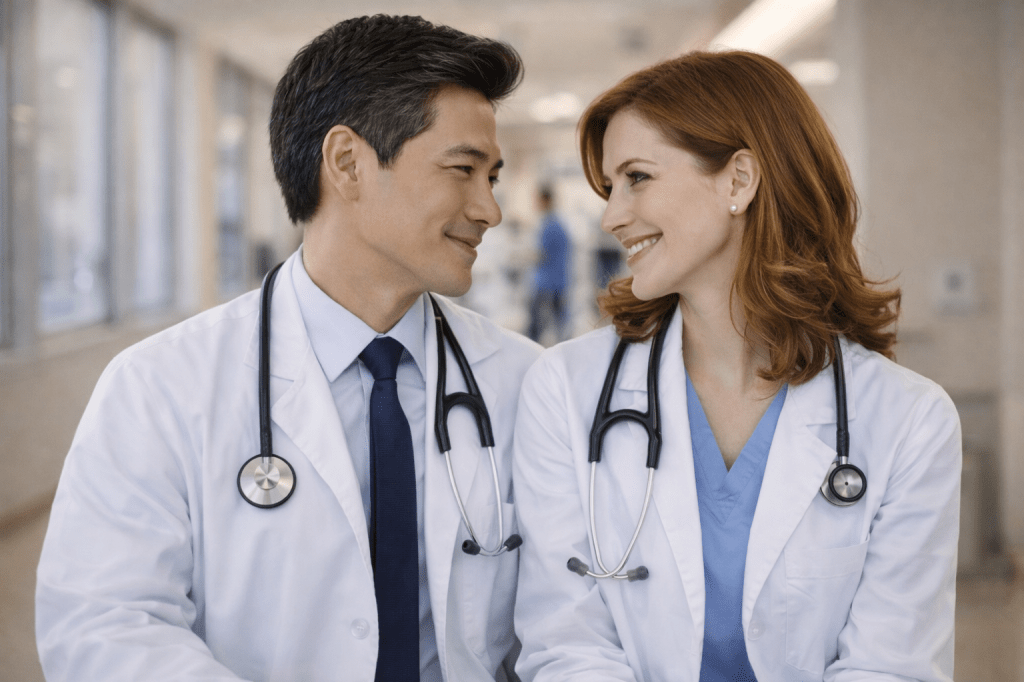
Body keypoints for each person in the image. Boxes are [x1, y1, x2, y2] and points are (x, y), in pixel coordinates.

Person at [36, 15, 540, 682]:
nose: (489, 210)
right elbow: (103, 623)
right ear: (347, 163)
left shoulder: (524, 381)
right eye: (463, 170)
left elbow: (563, 625)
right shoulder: (160, 386)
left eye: (493, 177)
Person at [512, 51, 961, 682]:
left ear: (739, 180)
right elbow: (566, 645)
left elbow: (891, 665)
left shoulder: (909, 420)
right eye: (610, 187)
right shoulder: (565, 391)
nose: (613, 216)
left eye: (638, 177)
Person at [526, 185, 571, 344]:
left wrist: (524, 257)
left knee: (535, 331)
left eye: (538, 200)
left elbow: (541, 255)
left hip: (546, 284)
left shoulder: (549, 226)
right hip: (559, 282)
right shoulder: (559, 224)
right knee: (560, 327)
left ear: (545, 200)